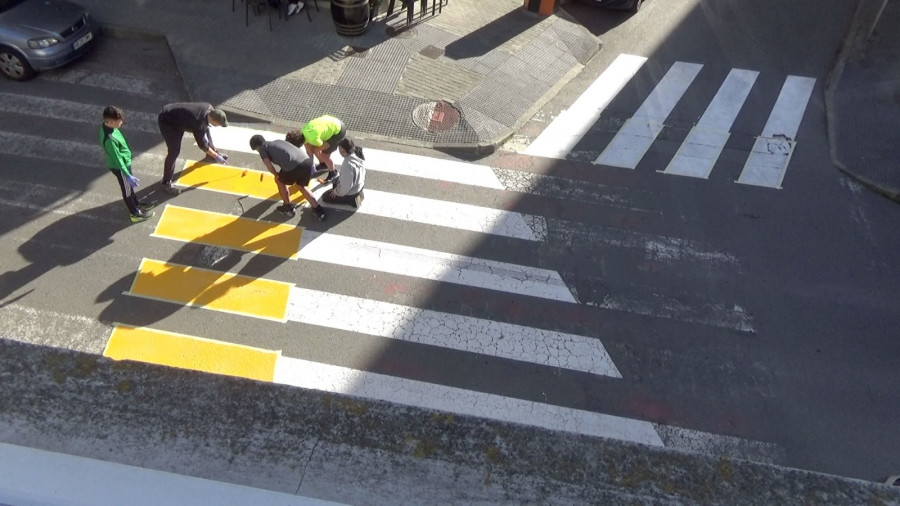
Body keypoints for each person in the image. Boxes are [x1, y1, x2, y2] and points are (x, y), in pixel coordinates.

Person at [249, 134, 326, 221]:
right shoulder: (277, 141)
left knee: (279, 180)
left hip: (293, 165)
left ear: (257, 147)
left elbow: (269, 166)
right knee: (301, 186)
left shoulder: (262, 149)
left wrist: (276, 175)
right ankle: (318, 209)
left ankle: (287, 207)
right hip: (306, 161)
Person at [157, 102, 229, 195]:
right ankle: (165, 182)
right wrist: (216, 156)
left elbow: (206, 130)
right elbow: (202, 145)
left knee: (206, 130)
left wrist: (214, 152)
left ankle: (211, 153)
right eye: (219, 124)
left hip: (179, 118)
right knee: (174, 152)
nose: (219, 126)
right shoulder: (198, 123)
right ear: (213, 120)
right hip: (168, 122)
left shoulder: (209, 108)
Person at [99, 106, 155, 223]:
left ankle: (137, 204)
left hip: (124, 164)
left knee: (129, 187)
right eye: (119, 120)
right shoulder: (110, 139)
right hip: (120, 167)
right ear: (110, 121)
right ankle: (134, 213)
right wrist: (127, 175)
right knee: (127, 190)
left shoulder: (107, 128)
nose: (121, 122)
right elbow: (118, 159)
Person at [296, 115, 346, 183]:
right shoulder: (302, 133)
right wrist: (310, 166)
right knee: (314, 149)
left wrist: (316, 152)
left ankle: (333, 173)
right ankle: (324, 164)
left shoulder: (313, 139)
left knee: (323, 154)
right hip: (332, 123)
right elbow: (309, 151)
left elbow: (318, 148)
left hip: (339, 131)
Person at [322, 137, 366, 208]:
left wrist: (336, 192)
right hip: (359, 184)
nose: (340, 153)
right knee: (335, 181)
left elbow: (346, 187)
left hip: (352, 191)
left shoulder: (348, 166)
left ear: (344, 151)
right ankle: (359, 193)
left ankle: (352, 200)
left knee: (325, 197)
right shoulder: (358, 153)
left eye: (341, 151)